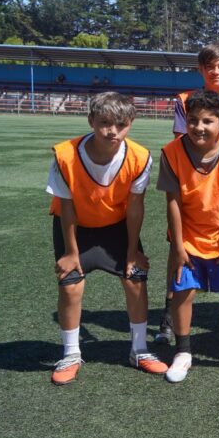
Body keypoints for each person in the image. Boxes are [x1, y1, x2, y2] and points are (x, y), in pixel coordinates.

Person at [46, 92, 167, 385]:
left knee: (136, 278)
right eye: (104, 123)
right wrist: (71, 252)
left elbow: (135, 206)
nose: (113, 131)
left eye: (121, 125)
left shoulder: (140, 157)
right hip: (76, 227)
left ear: (131, 124)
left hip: (116, 225)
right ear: (91, 121)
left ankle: (139, 350)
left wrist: (132, 250)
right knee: (71, 284)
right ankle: (71, 353)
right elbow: (66, 206)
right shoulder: (65, 155)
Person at [159, 90, 219, 383]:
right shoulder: (171, 152)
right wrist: (178, 246)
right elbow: (173, 203)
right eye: (193, 120)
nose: (199, 127)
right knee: (182, 292)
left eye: (207, 121)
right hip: (189, 239)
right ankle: (183, 352)